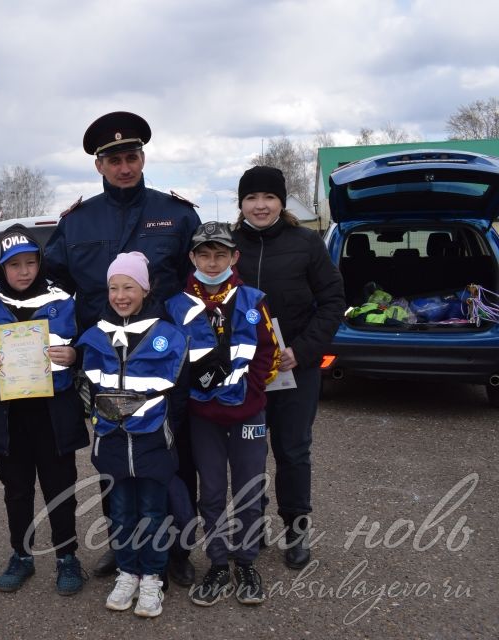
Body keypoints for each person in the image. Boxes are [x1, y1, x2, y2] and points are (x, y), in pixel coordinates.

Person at [45, 111, 201, 582]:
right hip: (104, 362)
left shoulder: (176, 214)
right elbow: (53, 284)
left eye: (131, 156)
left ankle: (175, 551)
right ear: (99, 165)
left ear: (142, 158)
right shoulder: (77, 221)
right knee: (114, 455)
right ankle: (122, 546)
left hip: (163, 363)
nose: (124, 166)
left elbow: (201, 278)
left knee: (175, 455)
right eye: (114, 159)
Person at [231, 166, 345, 570]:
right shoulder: (226, 245)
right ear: (241, 203)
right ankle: (252, 523)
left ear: (282, 201)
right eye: (251, 198)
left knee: (293, 451)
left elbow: (333, 300)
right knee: (247, 450)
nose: (260, 206)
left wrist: (304, 350)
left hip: (295, 368)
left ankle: (296, 530)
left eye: (268, 198)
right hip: (243, 373)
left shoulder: (307, 243)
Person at [164, 222, 279, 606]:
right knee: (211, 491)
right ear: (192, 258)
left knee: (248, 488)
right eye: (204, 254)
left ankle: (246, 561)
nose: (212, 262)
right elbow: (172, 358)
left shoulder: (252, 299)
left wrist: (252, 392)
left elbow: (269, 353)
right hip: (203, 415)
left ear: (234, 257)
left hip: (248, 413)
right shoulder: (177, 304)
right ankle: (215, 560)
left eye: (220, 254)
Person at [0, 225, 89, 596]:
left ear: (41, 263)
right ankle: (21, 554)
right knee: (17, 490)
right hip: (10, 417)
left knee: (60, 486)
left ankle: (67, 555)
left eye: (30, 263)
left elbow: (87, 345)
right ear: (0, 267)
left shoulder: (65, 301)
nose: (23, 271)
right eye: (14, 265)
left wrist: (75, 356)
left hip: (54, 414)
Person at [77, 252, 187, 618]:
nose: (121, 295)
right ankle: (128, 572)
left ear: (145, 287)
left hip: (152, 442)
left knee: (154, 513)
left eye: (129, 286)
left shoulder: (167, 334)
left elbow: (179, 392)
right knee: (122, 513)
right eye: (113, 287)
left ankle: (153, 577)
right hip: (111, 442)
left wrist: (168, 428)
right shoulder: (94, 336)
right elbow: (87, 388)